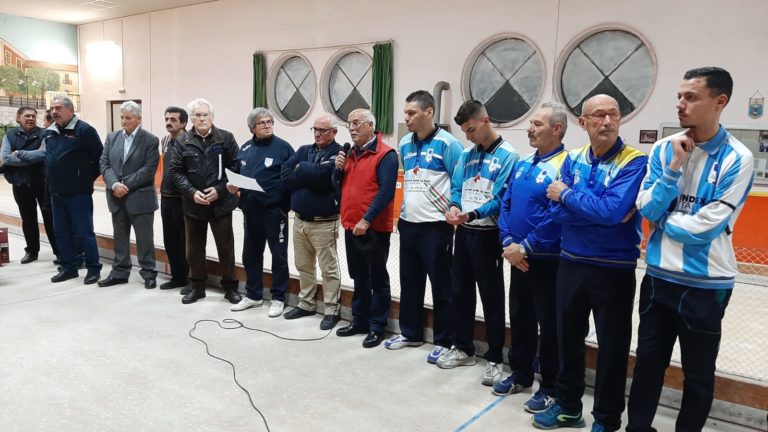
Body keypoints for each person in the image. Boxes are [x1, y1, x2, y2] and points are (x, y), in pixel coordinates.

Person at [628, 67, 753, 432]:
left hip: (706, 287)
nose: (680, 104)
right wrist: (673, 170)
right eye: (679, 96)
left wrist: (663, 220)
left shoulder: (738, 158)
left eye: (691, 97)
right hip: (658, 280)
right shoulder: (665, 150)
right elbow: (646, 208)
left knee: (698, 375)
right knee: (647, 364)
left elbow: (705, 228)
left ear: (720, 101)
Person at [533, 94, 647, 431]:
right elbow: (558, 212)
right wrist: (596, 211)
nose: (607, 122)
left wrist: (568, 196)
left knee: (612, 349)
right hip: (570, 263)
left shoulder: (635, 161)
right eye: (598, 116)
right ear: (583, 123)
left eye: (613, 114)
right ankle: (569, 408)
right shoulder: (574, 158)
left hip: (614, 268)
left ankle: (607, 419)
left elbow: (611, 212)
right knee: (567, 340)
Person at [493, 102, 569, 414]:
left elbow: (558, 216)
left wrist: (526, 246)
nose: (530, 129)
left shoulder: (567, 165)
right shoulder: (524, 163)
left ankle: (549, 386)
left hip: (546, 261)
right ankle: (521, 373)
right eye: (531, 124)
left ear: (557, 129)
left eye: (537, 124)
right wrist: (510, 242)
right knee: (520, 318)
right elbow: (506, 204)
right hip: (517, 257)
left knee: (548, 326)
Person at [439, 100, 518, 387]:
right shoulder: (467, 154)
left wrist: (471, 213)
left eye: (472, 130)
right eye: (465, 132)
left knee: (492, 297)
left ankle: (495, 357)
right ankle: (463, 348)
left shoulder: (509, 156)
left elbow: (501, 199)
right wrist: (454, 206)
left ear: (485, 120)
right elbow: (457, 187)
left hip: (488, 235)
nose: (469, 137)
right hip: (464, 231)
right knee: (460, 292)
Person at [383, 90, 463, 363]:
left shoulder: (449, 144)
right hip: (409, 224)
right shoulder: (405, 142)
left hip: (436, 226)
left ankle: (443, 339)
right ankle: (410, 333)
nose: (406, 118)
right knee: (409, 282)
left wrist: (454, 206)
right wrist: (400, 217)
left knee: (442, 286)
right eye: (405, 113)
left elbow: (458, 182)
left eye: (411, 113)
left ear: (429, 112)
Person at [334, 109, 398, 348]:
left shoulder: (386, 154)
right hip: (351, 225)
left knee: (377, 278)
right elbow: (338, 187)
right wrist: (337, 170)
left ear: (371, 125)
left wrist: (367, 219)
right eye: (349, 124)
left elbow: (385, 192)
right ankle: (359, 320)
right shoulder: (350, 153)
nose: (351, 128)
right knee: (358, 276)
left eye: (357, 123)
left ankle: (377, 326)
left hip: (373, 228)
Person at [169, 98, 241, 305]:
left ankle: (231, 288)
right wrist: (192, 193)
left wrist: (219, 190)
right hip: (193, 205)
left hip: (221, 204)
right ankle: (197, 287)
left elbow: (235, 168)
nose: (201, 119)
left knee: (226, 249)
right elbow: (175, 171)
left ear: (212, 117)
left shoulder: (225, 138)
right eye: (197, 115)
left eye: (205, 115)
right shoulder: (183, 141)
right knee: (194, 249)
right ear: (191, 119)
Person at [228, 108, 294, 317]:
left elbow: (292, 180)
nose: (266, 125)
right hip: (250, 210)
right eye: (261, 123)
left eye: (269, 122)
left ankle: (278, 297)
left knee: (278, 256)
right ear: (252, 128)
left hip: (275, 212)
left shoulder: (283, 148)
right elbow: (238, 174)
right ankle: (254, 295)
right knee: (251, 254)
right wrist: (233, 186)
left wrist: (285, 206)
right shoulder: (245, 148)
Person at [280, 114, 343, 329]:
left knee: (329, 268)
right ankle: (306, 304)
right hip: (299, 220)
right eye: (314, 129)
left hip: (324, 222)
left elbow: (324, 178)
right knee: (304, 266)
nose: (317, 133)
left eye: (322, 130)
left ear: (334, 132)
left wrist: (302, 169)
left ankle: (331, 309)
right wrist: (308, 171)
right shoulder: (303, 150)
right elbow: (286, 176)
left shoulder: (338, 153)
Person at [97, 101, 160, 288]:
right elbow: (104, 163)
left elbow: (149, 169)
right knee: (120, 237)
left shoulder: (150, 140)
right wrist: (114, 184)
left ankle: (148, 272)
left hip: (140, 197)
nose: (124, 121)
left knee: (145, 239)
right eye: (122, 117)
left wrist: (125, 184)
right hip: (117, 196)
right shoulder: (112, 137)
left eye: (128, 118)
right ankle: (120, 272)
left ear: (139, 119)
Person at [45, 96, 103, 284]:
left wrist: (83, 180)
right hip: (56, 192)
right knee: (60, 232)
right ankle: (69, 267)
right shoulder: (51, 132)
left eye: (58, 108)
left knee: (84, 232)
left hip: (79, 194)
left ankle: (93, 268)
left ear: (70, 110)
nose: (54, 111)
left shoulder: (84, 130)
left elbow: (100, 160)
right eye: (52, 108)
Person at [1, 106, 58, 264]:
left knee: (50, 218)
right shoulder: (10, 135)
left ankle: (59, 252)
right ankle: (32, 252)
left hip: (42, 183)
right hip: (20, 184)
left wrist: (18, 153)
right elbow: (5, 157)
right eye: (27, 116)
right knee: (28, 219)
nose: (31, 118)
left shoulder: (44, 134)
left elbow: (45, 154)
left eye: (33, 116)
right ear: (18, 118)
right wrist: (33, 158)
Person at [159, 106, 190, 293]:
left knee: (187, 241)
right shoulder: (164, 141)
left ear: (184, 123)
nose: (169, 122)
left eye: (173, 119)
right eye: (167, 119)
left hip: (184, 199)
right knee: (170, 240)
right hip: (166, 198)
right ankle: (177, 277)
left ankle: (191, 279)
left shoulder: (189, 142)